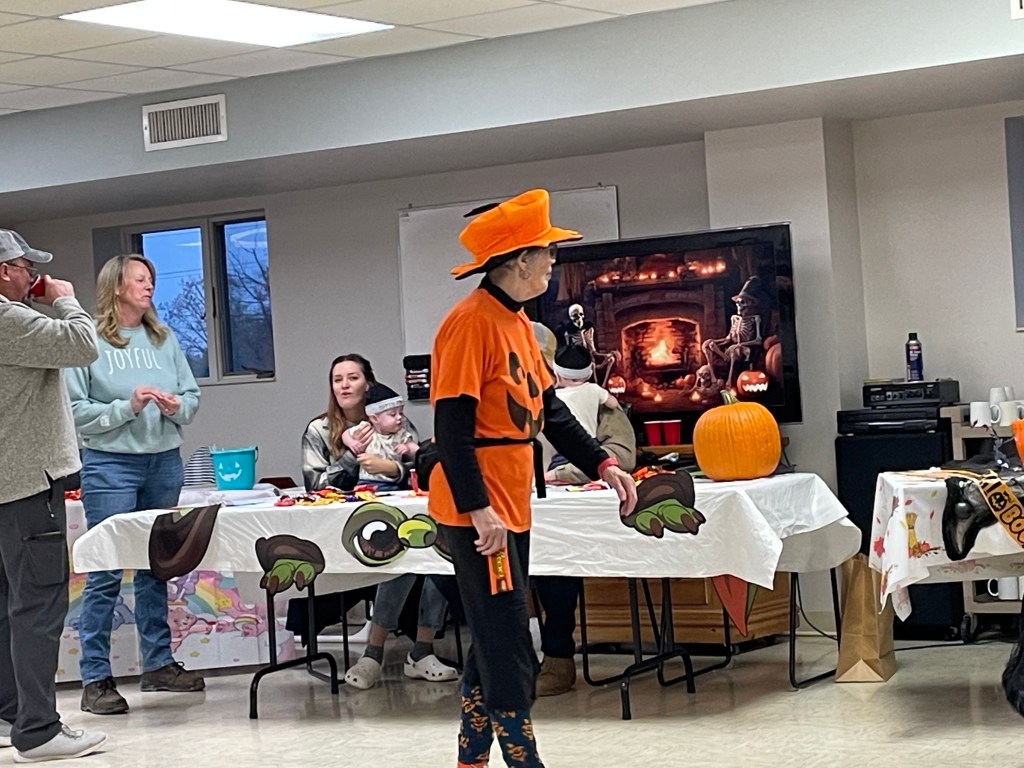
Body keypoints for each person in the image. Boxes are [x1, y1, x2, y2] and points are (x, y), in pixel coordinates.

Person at [428, 188, 638, 768]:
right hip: (479, 508)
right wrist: (479, 510)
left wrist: (604, 463)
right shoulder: (468, 323)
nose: (553, 261)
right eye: (547, 251)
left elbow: (551, 413)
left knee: (495, 633)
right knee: (510, 638)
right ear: (521, 260)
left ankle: (471, 758)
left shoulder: (519, 322)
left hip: (510, 500)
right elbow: (450, 430)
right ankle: (524, 759)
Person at [65, 254, 204, 716]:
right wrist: (127, 408)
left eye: (151, 280)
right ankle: (95, 679)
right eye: (140, 280)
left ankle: (159, 665)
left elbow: (192, 396)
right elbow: (76, 412)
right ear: (116, 287)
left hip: (163, 462)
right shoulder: (87, 341)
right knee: (106, 570)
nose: (149, 287)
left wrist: (175, 407)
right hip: (110, 466)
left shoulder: (164, 339)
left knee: (156, 566)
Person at [0, 229, 107, 761]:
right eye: (26, 268)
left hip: (5, 489)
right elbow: (83, 346)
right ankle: (39, 730)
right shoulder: (10, 320)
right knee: (39, 606)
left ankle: (10, 714)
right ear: (4, 271)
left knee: (7, 606)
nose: (34, 277)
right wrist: (64, 297)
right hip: (27, 485)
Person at [301, 354, 458, 689]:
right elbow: (315, 485)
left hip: (400, 514)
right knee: (395, 553)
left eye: (353, 378)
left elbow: (422, 470)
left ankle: (422, 650)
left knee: (438, 552)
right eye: (337, 379)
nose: (344, 385)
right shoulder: (320, 429)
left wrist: (394, 468)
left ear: (368, 383)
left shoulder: (397, 421)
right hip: (344, 526)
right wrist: (351, 457)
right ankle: (373, 653)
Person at [532, 329, 638, 697]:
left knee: (555, 562)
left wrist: (563, 473)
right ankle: (515, 658)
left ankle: (557, 655)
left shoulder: (599, 404)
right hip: (515, 498)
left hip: (571, 511)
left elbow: (621, 455)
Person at [345, 382, 419, 491]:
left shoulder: (400, 434)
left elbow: (418, 452)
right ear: (374, 418)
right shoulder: (366, 429)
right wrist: (351, 443)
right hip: (367, 481)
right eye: (393, 414)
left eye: (401, 413)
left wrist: (407, 448)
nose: (399, 417)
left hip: (394, 482)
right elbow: (346, 434)